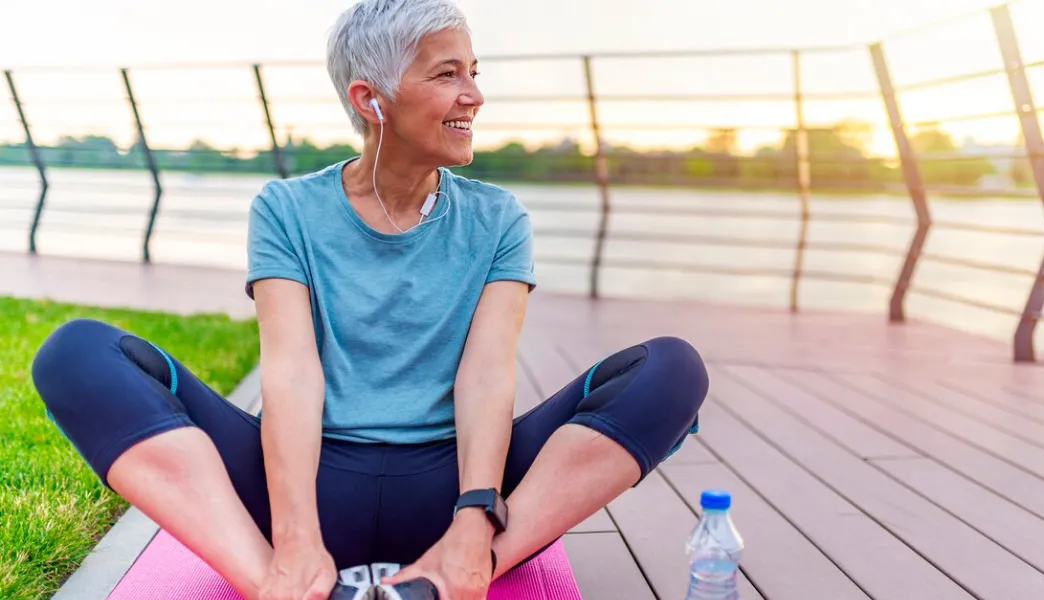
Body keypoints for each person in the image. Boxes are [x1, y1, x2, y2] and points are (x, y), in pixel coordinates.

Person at [31, 1, 707, 599]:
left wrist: (475, 519)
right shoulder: (287, 208)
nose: (473, 95)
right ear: (370, 98)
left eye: (475, 72)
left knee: (672, 370)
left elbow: (486, 374)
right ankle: (275, 583)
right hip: (304, 487)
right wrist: (295, 539)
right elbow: (292, 372)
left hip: (452, 493)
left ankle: (454, 573)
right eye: (447, 74)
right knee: (76, 353)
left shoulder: (501, 219)